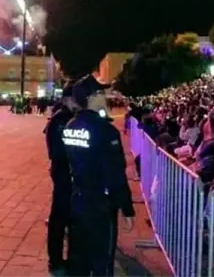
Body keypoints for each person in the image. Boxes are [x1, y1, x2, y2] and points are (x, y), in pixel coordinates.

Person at [62, 75, 135, 277]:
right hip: (101, 206)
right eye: (101, 92)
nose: (105, 96)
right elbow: (116, 174)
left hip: (77, 200)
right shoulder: (106, 131)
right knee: (102, 262)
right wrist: (127, 209)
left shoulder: (70, 126)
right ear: (91, 97)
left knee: (78, 260)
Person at [44, 81, 77, 276]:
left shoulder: (68, 118)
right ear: (66, 99)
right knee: (60, 218)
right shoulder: (61, 120)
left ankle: (65, 260)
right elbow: (58, 152)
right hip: (65, 175)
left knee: (66, 218)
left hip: (66, 174)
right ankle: (56, 261)